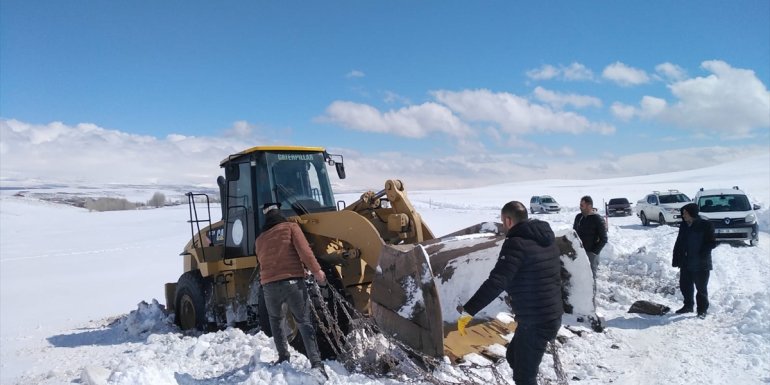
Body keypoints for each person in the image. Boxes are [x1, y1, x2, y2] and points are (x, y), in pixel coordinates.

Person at [457, 201, 563, 385]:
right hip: (548, 315)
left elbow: (497, 282)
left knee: (524, 378)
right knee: (513, 355)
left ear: (507, 220)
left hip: (536, 321)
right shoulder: (546, 238)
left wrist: (469, 311)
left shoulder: (516, 243)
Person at [255, 204, 328, 380]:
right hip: (293, 282)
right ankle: (316, 364)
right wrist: (317, 271)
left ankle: (283, 357)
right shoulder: (291, 227)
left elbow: (260, 260)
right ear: (280, 214)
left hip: (269, 286)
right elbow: (304, 251)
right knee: (303, 321)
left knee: (276, 320)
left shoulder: (260, 239)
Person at [672, 203, 716, 319]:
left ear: (692, 213)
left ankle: (702, 310)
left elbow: (712, 243)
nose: (683, 215)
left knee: (701, 288)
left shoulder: (705, 225)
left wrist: (702, 254)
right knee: (685, 285)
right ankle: (688, 306)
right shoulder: (684, 226)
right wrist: (676, 257)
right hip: (686, 262)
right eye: (683, 213)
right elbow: (679, 242)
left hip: (701, 263)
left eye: (685, 213)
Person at [573, 196, 608, 278]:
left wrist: (594, 252)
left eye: (582, 205)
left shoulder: (597, 219)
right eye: (580, 205)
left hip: (592, 253)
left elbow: (604, 239)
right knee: (581, 276)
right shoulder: (578, 217)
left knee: (591, 277)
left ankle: (593, 291)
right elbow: (574, 233)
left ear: (589, 206)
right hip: (580, 252)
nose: (580, 207)